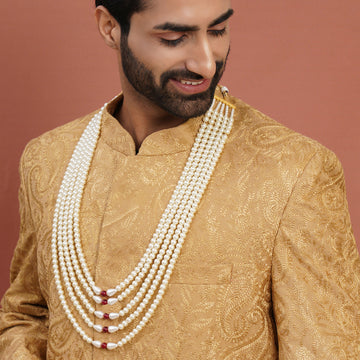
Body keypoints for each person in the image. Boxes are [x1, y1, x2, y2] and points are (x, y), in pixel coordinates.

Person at [0, 0, 359, 358]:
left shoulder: (293, 170)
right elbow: (27, 314)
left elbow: (326, 348)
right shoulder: (49, 159)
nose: (205, 63)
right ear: (111, 28)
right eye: (174, 37)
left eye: (218, 31)